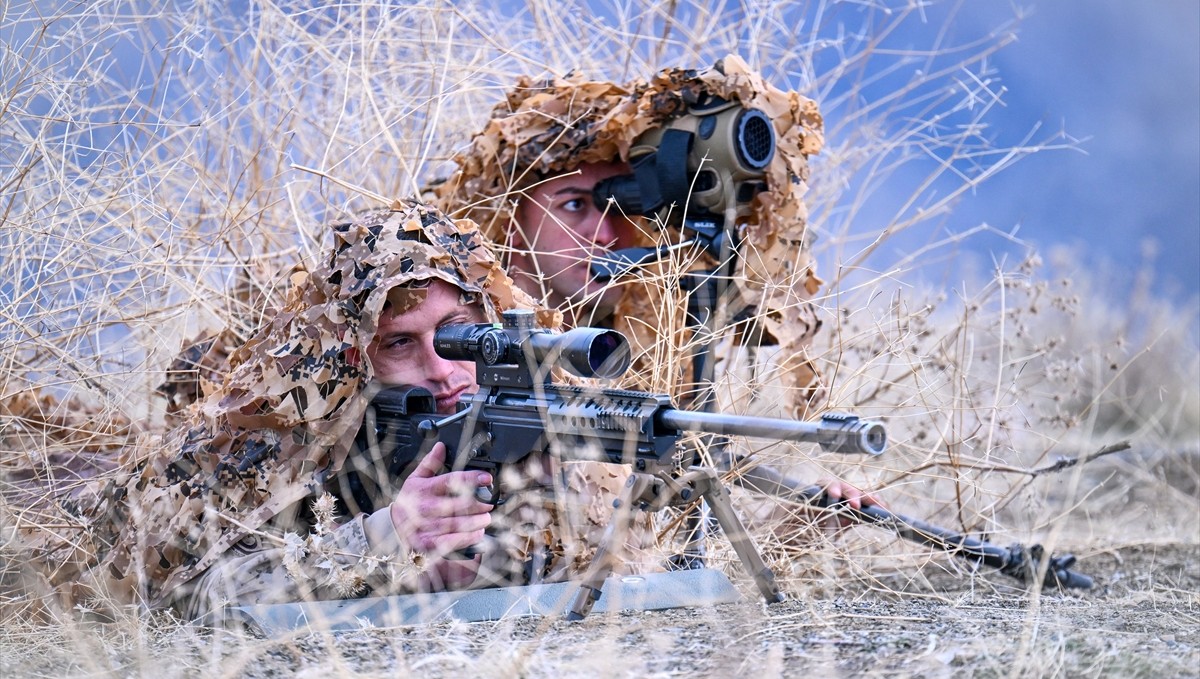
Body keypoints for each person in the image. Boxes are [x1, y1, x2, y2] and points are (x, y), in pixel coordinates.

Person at [5, 200, 647, 624]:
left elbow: (620, 591)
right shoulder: (283, 441)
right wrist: (384, 540)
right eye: (400, 343)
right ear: (353, 358)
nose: (442, 367)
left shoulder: (539, 431)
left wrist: (516, 549)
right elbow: (194, 600)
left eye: (459, 333)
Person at [433, 57, 882, 522]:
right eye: (574, 206)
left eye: (621, 206)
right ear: (509, 224)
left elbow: (689, 485)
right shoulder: (449, 341)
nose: (606, 233)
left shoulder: (643, 346)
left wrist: (797, 524)